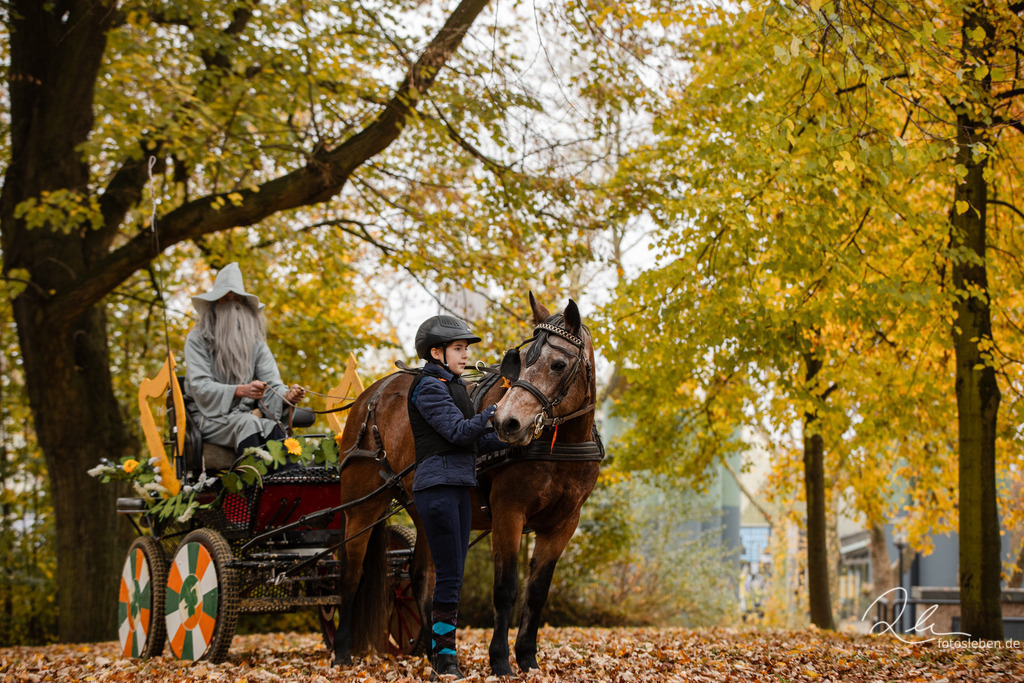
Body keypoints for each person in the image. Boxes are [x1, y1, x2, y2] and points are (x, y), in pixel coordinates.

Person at [408, 315, 503, 680]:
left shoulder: (455, 385)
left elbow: (476, 441)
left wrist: (517, 434)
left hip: (459, 484)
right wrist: (495, 411)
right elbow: (459, 431)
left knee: (455, 574)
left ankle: (441, 655)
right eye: (459, 348)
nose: (465, 355)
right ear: (437, 352)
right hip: (437, 487)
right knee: (449, 574)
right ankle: (444, 660)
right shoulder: (429, 386)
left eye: (465, 349)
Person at [183, 262, 306, 464]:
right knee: (249, 423)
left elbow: (273, 384)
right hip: (208, 419)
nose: (233, 306)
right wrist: (240, 390)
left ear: (247, 308)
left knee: (274, 428)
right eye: (226, 299)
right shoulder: (197, 339)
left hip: (246, 416)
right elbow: (200, 386)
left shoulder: (256, 345)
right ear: (214, 306)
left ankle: (289, 487)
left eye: (238, 300)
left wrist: (286, 395)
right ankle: (250, 489)